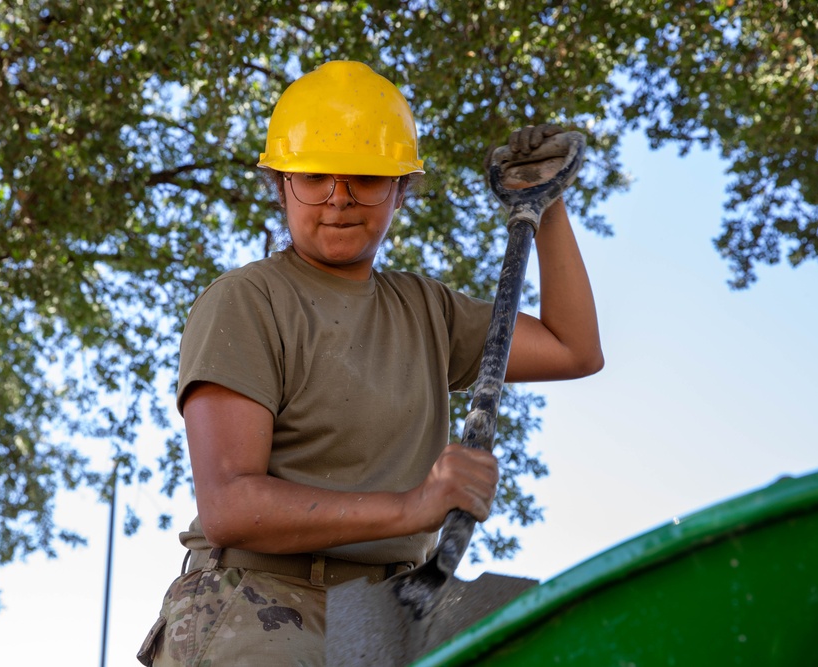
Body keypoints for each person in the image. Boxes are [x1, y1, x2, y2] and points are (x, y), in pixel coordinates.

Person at [137, 60, 603, 667]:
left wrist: (545, 206)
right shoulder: (248, 301)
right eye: (314, 177)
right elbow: (231, 507)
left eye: (366, 177)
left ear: (401, 190)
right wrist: (414, 506)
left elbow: (575, 348)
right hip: (259, 603)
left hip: (391, 613)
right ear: (279, 185)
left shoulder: (426, 310)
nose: (339, 198)